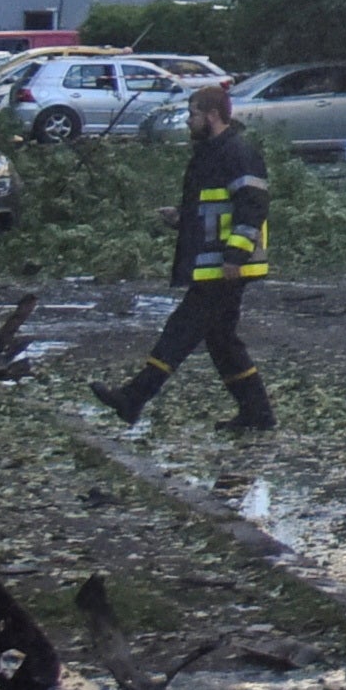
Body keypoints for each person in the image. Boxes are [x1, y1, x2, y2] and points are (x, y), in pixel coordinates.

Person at [94, 81, 273, 436]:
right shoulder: (212, 151)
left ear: (212, 115)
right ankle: (257, 412)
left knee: (180, 331)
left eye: (192, 114)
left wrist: (235, 255)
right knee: (222, 341)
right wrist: (182, 217)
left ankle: (134, 398)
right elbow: (213, 205)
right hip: (215, 264)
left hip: (226, 266)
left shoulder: (238, 152)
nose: (187, 121)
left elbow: (252, 207)